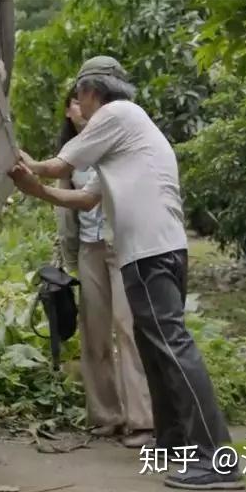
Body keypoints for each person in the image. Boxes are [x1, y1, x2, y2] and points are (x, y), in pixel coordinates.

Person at [8, 56, 243, 490]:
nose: (76, 106)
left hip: (152, 251)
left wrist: (26, 164)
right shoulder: (124, 140)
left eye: (78, 96)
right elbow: (88, 198)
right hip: (147, 252)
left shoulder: (118, 114)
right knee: (156, 348)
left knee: (172, 346)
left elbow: (59, 166)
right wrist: (37, 190)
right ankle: (175, 443)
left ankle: (217, 458)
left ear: (92, 92)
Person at [50, 89, 154, 449]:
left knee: (128, 328)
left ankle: (142, 421)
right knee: (93, 332)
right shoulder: (71, 154)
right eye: (75, 101)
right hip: (89, 249)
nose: (82, 107)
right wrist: (68, 255)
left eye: (86, 99)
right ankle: (107, 416)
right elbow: (66, 211)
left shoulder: (116, 138)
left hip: (123, 243)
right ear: (68, 110)